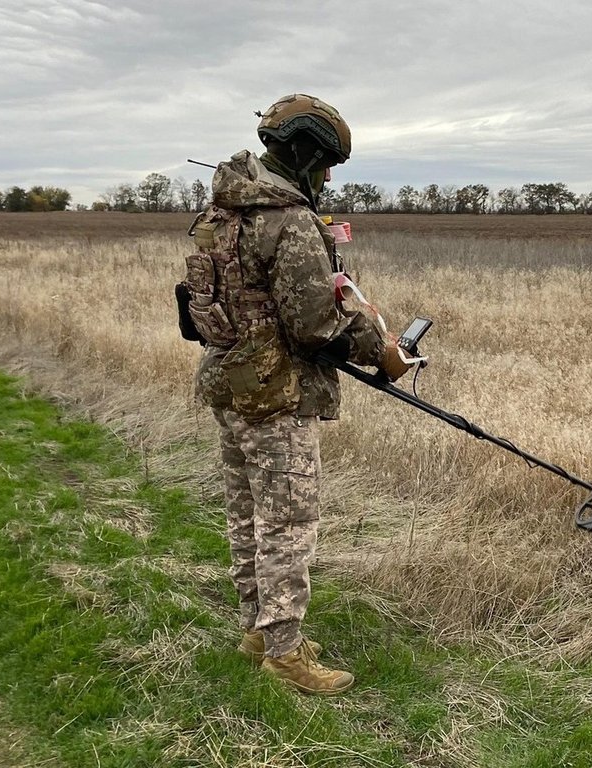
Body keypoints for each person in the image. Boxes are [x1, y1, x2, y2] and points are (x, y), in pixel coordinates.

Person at [178, 94, 403, 695]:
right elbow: (313, 325)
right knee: (288, 523)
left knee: (248, 514)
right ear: (302, 152)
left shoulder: (225, 210)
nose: (328, 176)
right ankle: (283, 653)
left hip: (229, 381)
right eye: (326, 163)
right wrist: (378, 346)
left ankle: (258, 627)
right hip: (278, 395)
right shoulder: (291, 218)